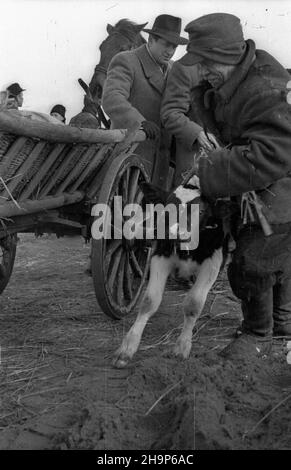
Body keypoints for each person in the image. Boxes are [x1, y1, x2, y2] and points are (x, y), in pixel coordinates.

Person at [164, 13, 291, 358]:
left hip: (280, 185)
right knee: (273, 253)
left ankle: (258, 334)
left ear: (227, 55)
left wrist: (205, 174)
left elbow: (270, 155)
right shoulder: (230, 83)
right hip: (257, 183)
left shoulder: (266, 86)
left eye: (206, 63)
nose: (201, 71)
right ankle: (281, 325)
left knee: (254, 260)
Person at [102, 14, 188, 187]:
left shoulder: (174, 69)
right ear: (151, 40)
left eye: (174, 46)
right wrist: (140, 122)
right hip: (129, 159)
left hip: (161, 166)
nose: (170, 51)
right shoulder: (126, 60)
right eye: (166, 44)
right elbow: (112, 98)